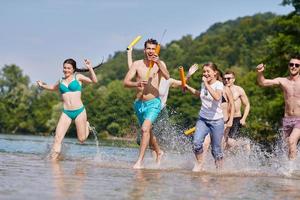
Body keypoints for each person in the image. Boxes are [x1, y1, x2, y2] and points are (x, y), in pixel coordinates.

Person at [37, 58, 98, 160]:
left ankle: (86, 126)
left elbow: (94, 81)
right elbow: (52, 87)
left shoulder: (78, 77)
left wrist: (90, 68)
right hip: (66, 112)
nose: (66, 70)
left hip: (79, 111)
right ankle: (54, 162)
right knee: (57, 139)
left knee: (81, 139)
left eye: (69, 68)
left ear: (73, 69)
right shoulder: (61, 81)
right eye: (64, 68)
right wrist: (42, 85)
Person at [123, 39, 170, 169]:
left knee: (145, 129)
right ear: (144, 50)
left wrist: (158, 62)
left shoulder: (160, 64)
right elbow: (125, 82)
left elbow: (167, 76)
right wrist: (136, 84)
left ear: (157, 50)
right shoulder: (137, 64)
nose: (150, 51)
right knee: (149, 133)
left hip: (154, 103)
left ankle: (139, 162)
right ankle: (159, 152)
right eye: (148, 48)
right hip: (139, 104)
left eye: (153, 49)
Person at [256, 56, 300, 160]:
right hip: (287, 119)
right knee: (285, 148)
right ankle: (293, 168)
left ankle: (291, 170)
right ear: (289, 66)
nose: (293, 67)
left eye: (297, 65)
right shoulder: (283, 81)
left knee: (291, 140)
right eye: (291, 64)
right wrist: (260, 73)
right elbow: (263, 82)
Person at [185, 62, 225, 171]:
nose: (205, 73)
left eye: (208, 71)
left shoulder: (219, 85)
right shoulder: (203, 84)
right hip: (203, 119)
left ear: (215, 73)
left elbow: (217, 97)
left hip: (217, 121)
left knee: (216, 150)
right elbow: (201, 94)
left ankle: (220, 171)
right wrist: (188, 87)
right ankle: (199, 164)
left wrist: (207, 84)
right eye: (204, 71)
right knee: (196, 143)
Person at [223, 71, 250, 148]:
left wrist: (244, 119)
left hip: (236, 118)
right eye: (224, 78)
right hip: (225, 119)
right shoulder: (221, 89)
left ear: (233, 79)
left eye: (228, 78)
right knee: (224, 142)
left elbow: (247, 105)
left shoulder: (239, 90)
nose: (226, 80)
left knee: (230, 140)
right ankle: (226, 159)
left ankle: (244, 143)